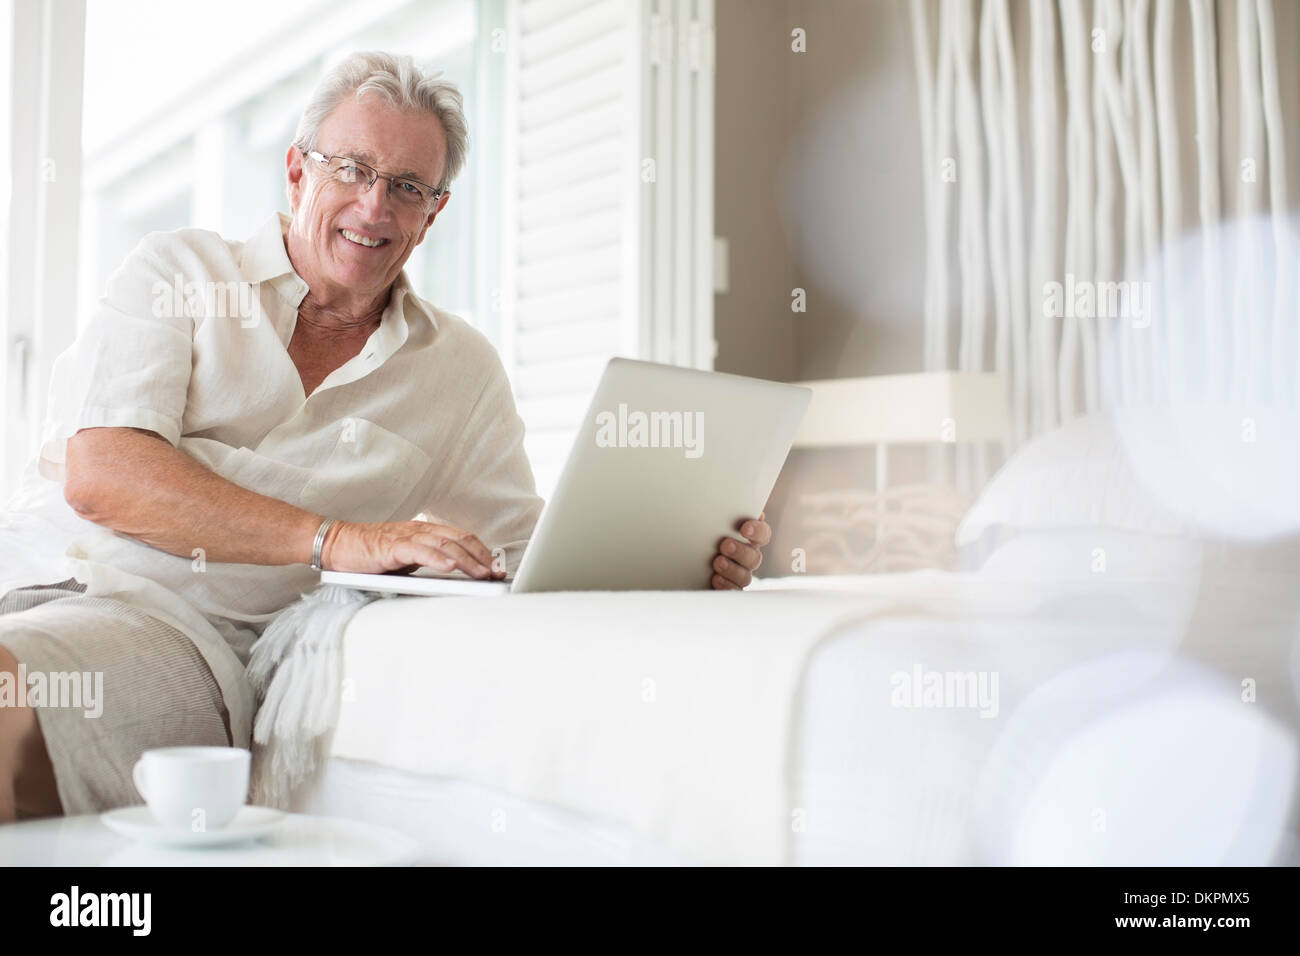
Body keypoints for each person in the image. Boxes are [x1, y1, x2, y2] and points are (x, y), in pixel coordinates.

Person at [0, 51, 770, 823]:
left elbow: (532, 555)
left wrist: (681, 559)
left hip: (169, 632)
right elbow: (103, 475)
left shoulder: (458, 370)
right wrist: (338, 540)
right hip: (30, 573)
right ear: (298, 172)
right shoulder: (177, 271)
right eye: (352, 169)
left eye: (407, 188)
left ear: (432, 213)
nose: (375, 208)